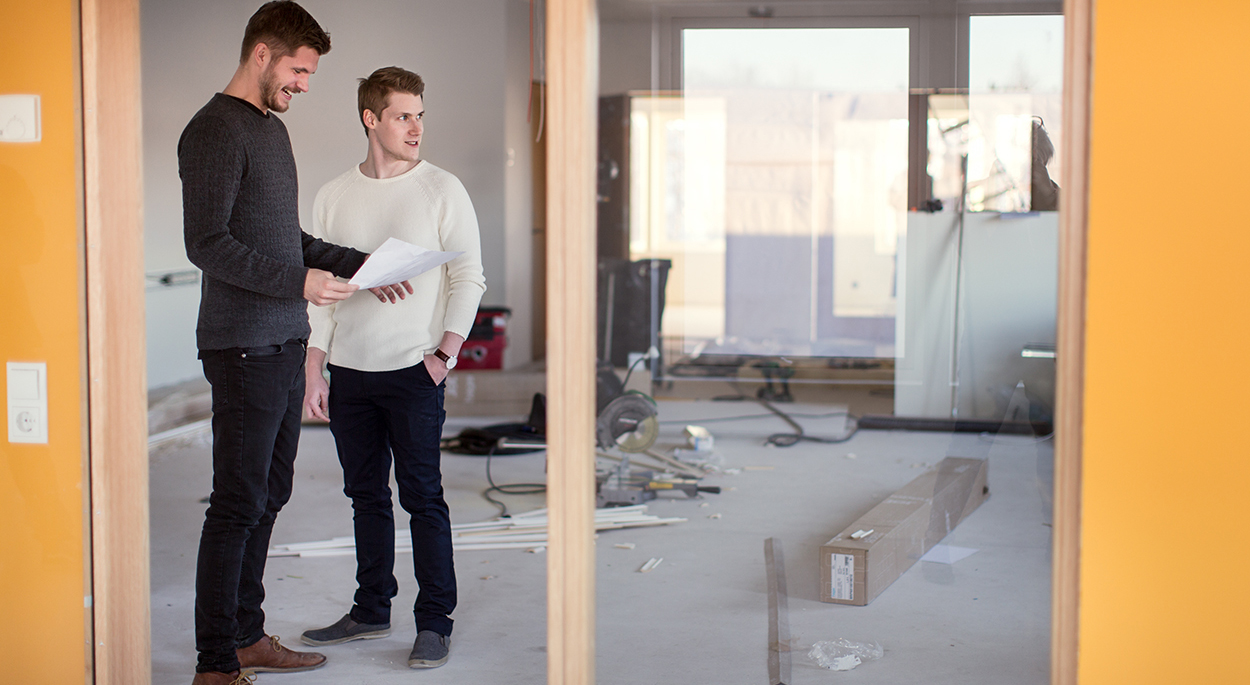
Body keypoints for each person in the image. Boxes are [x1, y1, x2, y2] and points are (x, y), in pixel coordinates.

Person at [179, 4, 407, 683]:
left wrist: (361, 263)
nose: (306, 83)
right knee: (237, 502)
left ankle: (246, 635)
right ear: (261, 54)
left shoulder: (269, 132)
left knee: (268, 493)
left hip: (280, 338)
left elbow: (287, 241)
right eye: (299, 69)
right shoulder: (215, 131)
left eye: (310, 72)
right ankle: (216, 663)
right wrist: (301, 280)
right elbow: (207, 243)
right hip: (242, 345)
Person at [298, 66, 486, 670]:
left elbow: (468, 276)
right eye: (403, 115)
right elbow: (323, 291)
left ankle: (434, 622)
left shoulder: (442, 189)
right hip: (350, 373)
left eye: (420, 115)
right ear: (370, 119)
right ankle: (371, 608)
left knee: (423, 497)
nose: (416, 127)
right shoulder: (333, 195)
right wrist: (314, 366)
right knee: (364, 497)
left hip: (414, 371)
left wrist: (444, 355)